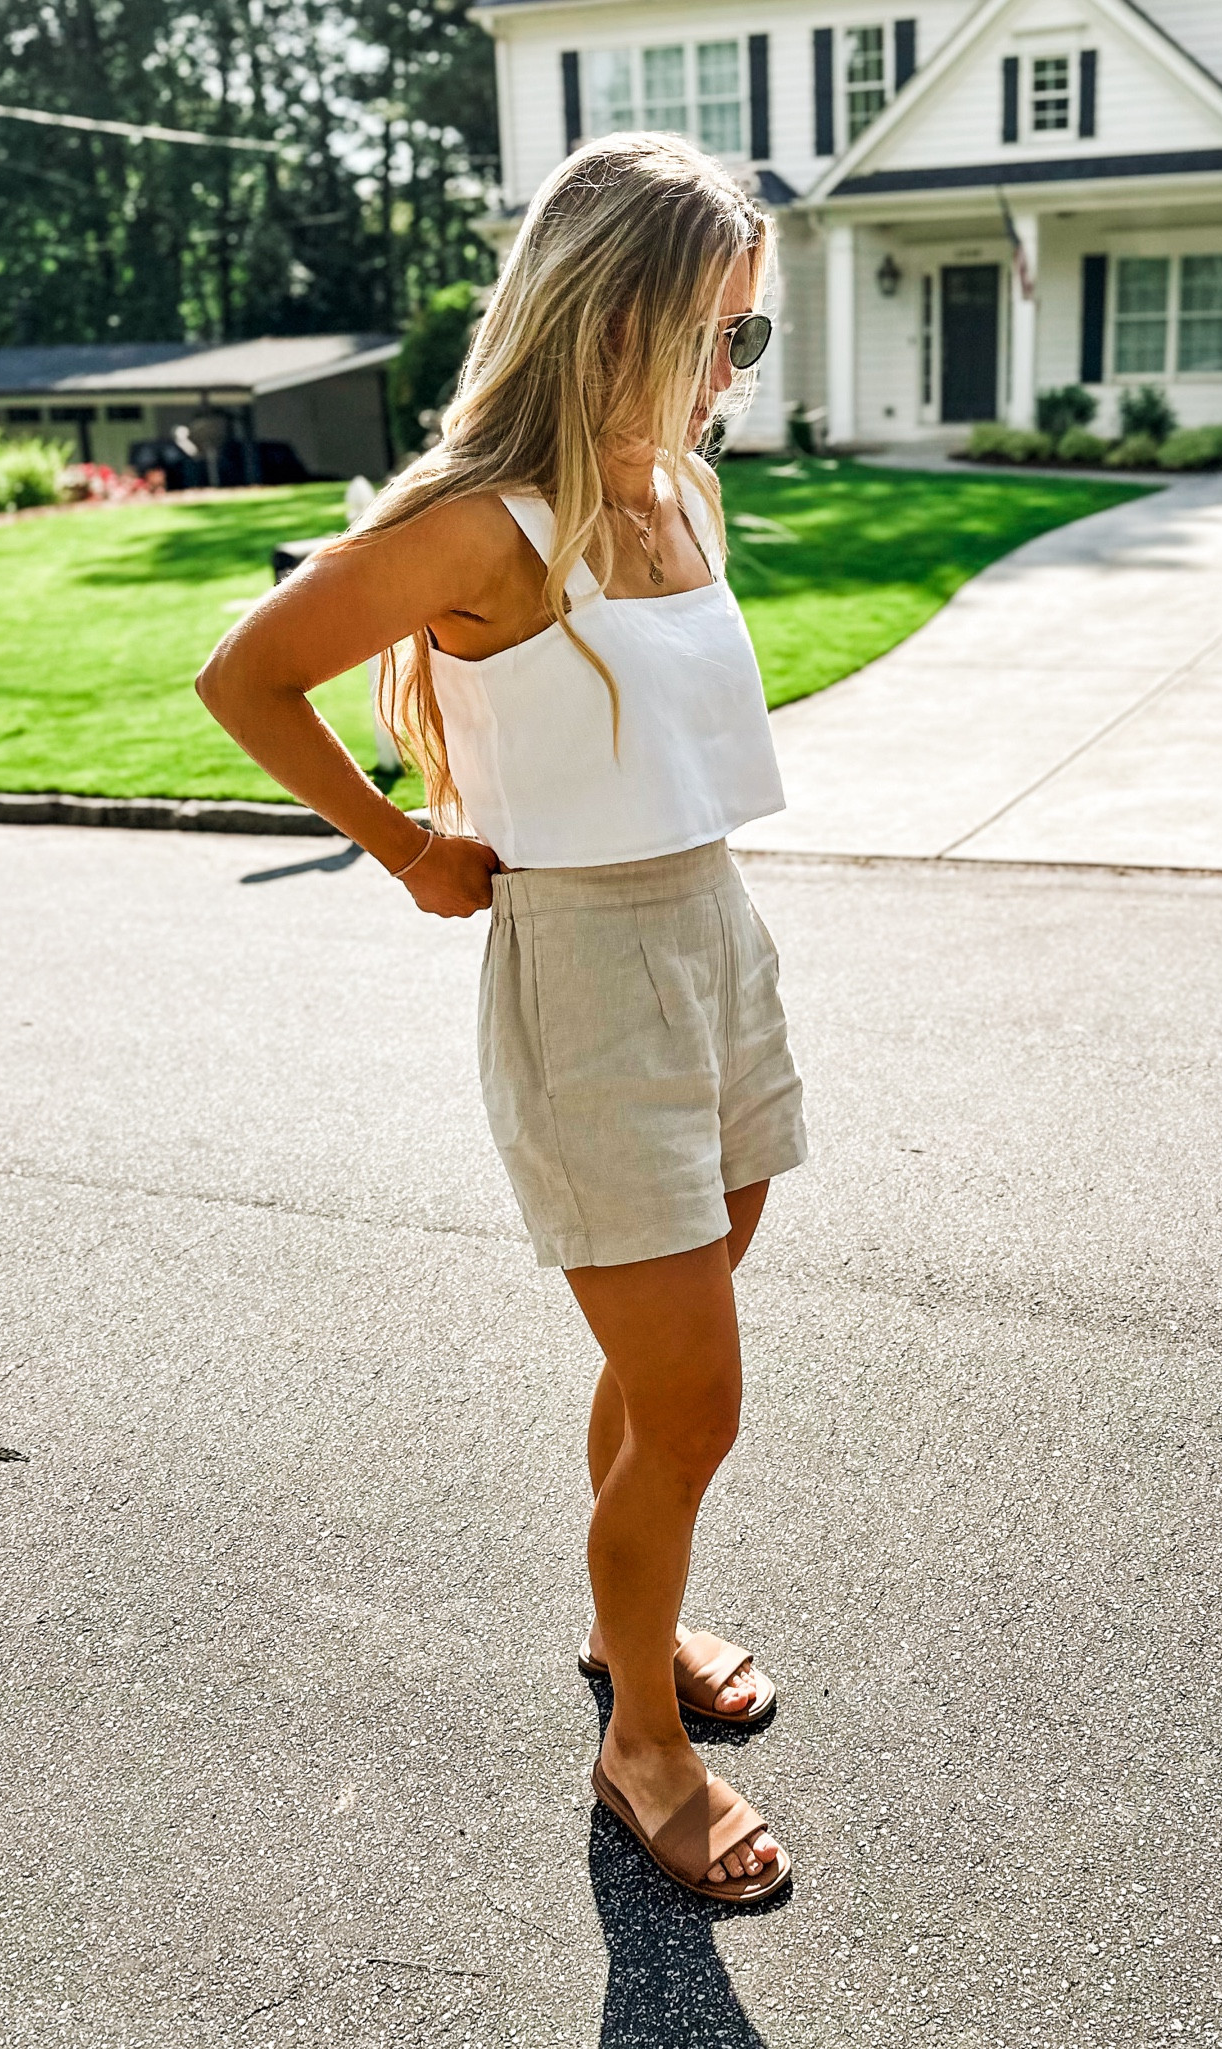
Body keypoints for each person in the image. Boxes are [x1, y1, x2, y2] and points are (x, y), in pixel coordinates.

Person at [196, 133, 804, 1906]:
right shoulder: (480, 525)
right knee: (696, 1403)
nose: (728, 376)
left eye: (747, 340)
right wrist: (401, 846)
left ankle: (639, 1623)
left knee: (657, 1372)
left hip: (718, 939)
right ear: (610, 314)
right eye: (715, 333)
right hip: (589, 972)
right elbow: (246, 673)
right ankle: (641, 1740)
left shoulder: (674, 496)